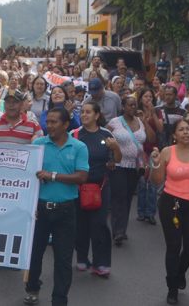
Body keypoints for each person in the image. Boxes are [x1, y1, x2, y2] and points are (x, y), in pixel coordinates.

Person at [23, 107, 89, 306]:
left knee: (63, 259)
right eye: (48, 122)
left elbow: (82, 177)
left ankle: (59, 299)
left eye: (54, 122)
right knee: (35, 253)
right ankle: (32, 287)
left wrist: (51, 176)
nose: (49, 126)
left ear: (66, 124)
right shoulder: (38, 144)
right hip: (40, 210)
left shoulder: (78, 147)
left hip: (66, 210)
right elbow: (28, 176)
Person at [150, 119, 189, 305]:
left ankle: (180, 272)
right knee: (174, 247)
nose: (185, 132)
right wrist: (155, 164)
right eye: (181, 130)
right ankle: (172, 288)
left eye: (188, 129)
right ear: (174, 135)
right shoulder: (167, 152)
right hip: (171, 204)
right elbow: (157, 181)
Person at [74, 102, 121, 277]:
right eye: (82, 112)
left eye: (88, 112)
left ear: (96, 115)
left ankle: (101, 263)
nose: (84, 115)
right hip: (79, 187)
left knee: (100, 224)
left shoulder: (106, 134)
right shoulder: (75, 135)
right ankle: (81, 258)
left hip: (100, 186)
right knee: (80, 224)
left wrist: (115, 148)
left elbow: (116, 159)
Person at [106, 95, 147, 246]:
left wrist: (145, 120)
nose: (133, 108)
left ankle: (122, 227)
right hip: (118, 165)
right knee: (119, 197)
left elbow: (147, 139)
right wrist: (109, 157)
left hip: (134, 166)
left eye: (135, 105)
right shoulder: (114, 123)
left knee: (128, 197)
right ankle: (118, 231)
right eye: (130, 105)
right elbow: (105, 139)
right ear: (123, 107)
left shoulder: (140, 122)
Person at [137, 88, 161, 225]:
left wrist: (151, 116)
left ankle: (150, 213)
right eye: (145, 96)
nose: (148, 99)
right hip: (140, 150)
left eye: (150, 97)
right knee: (141, 181)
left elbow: (159, 130)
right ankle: (141, 212)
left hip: (153, 149)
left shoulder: (157, 111)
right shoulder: (137, 113)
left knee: (152, 183)